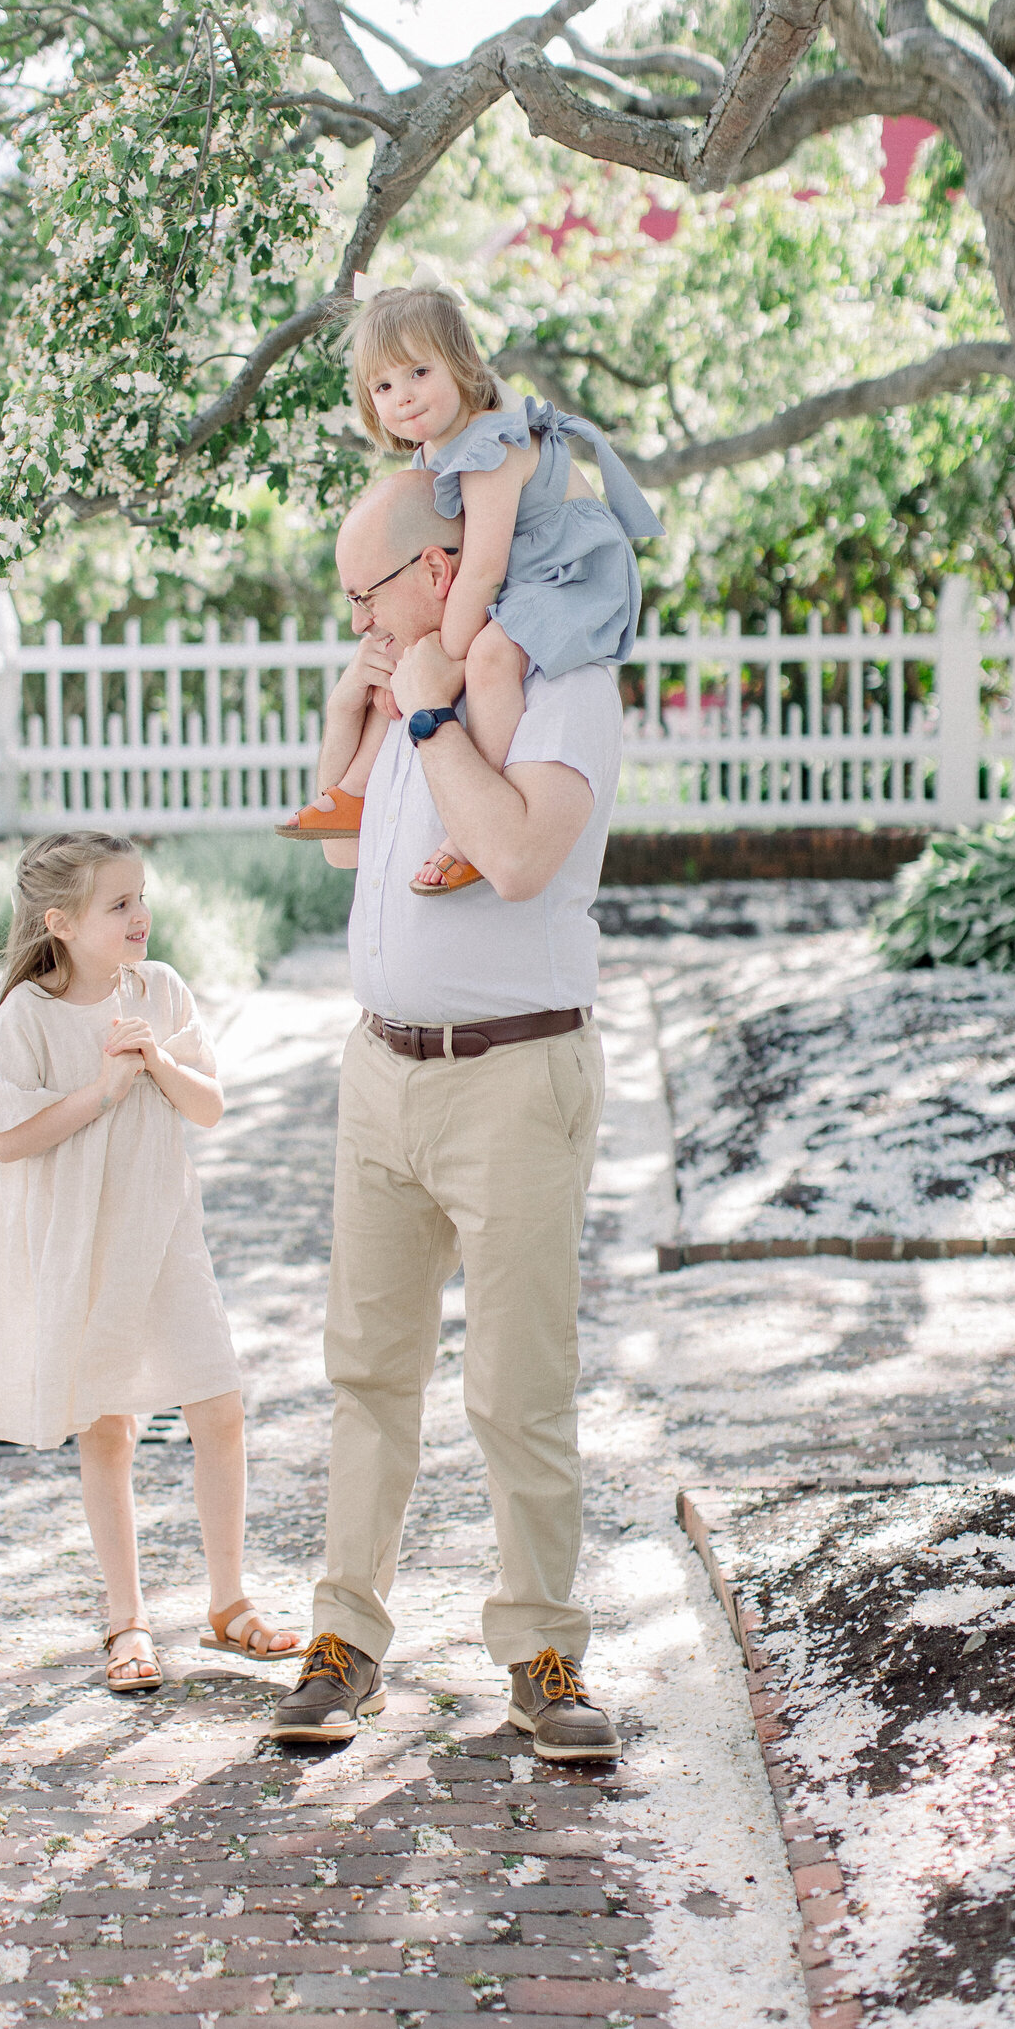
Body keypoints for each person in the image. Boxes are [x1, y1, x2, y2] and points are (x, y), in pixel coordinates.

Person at [270, 469, 621, 1760]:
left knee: (517, 1387)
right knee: (367, 1374)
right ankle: (344, 1639)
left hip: (513, 1080)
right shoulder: (406, 684)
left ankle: (544, 1654)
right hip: (381, 1076)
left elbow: (521, 854)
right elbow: (338, 849)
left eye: (363, 589)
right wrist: (349, 715)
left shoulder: (559, 682)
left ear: (434, 573)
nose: (352, 610)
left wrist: (428, 719)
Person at [0, 831, 301, 1692]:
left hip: (164, 1233)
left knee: (217, 1405)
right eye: (120, 905)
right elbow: (4, 1136)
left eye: (142, 898)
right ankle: (127, 1620)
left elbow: (208, 1107)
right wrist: (99, 1092)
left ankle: (228, 1600)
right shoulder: (27, 1015)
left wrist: (159, 1060)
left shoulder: (161, 990)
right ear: (60, 922)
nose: (141, 916)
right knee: (108, 1425)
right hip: (81, 1243)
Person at [277, 274, 662, 897]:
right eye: (383, 384)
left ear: (459, 365)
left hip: (568, 574)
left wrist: (445, 661)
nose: (402, 396)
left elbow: (481, 570)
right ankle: (353, 792)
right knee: (405, 651)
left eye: (418, 373)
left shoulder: (491, 446)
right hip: (519, 574)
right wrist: (414, 661)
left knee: (485, 657)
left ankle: (475, 823)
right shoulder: (427, 458)